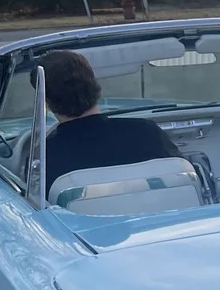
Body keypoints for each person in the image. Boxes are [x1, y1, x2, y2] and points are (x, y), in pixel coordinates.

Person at [35, 50, 180, 196]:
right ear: (95, 87)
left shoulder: (45, 155)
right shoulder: (147, 132)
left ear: (46, 101)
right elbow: (184, 181)